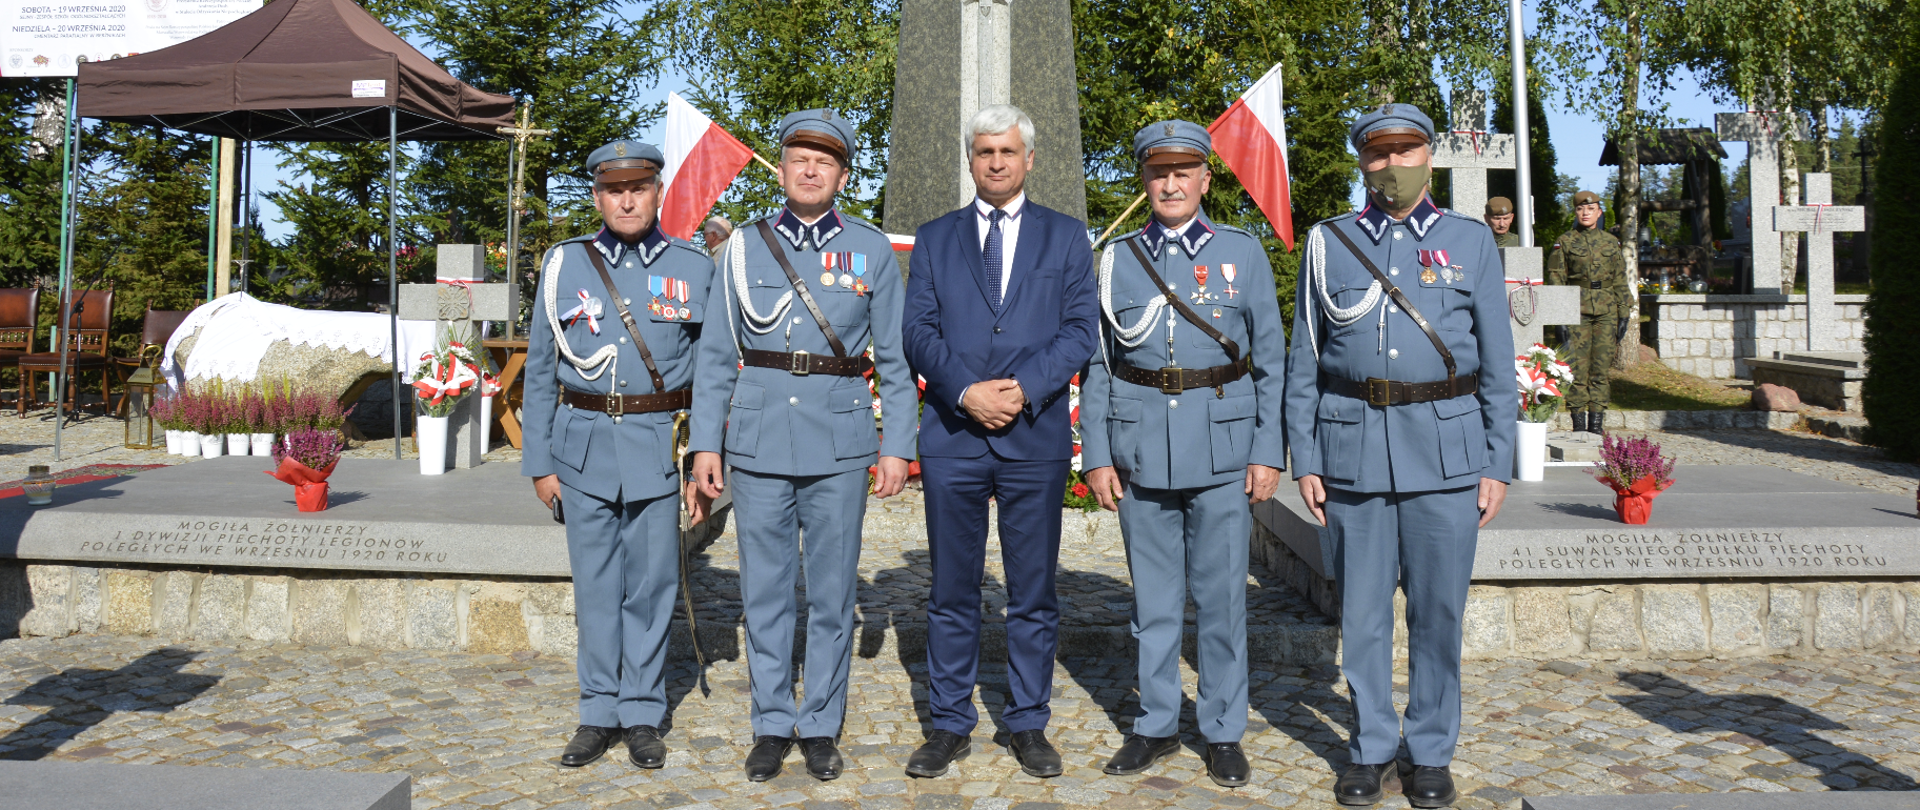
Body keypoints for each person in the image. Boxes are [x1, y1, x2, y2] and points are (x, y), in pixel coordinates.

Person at [1282, 103, 1516, 809]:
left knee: (1438, 613)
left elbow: (1498, 363)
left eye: (1405, 150)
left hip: (1446, 454)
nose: (1392, 165)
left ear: (1428, 156)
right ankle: (1372, 747)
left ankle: (1431, 750)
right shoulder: (1329, 244)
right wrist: (1307, 457)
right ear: (1362, 161)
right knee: (1361, 615)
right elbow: (1305, 361)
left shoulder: (1470, 242)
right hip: (1352, 453)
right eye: (1378, 154)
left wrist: (1497, 459)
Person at [686, 109, 916, 783]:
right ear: (781, 169)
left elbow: (895, 361)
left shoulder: (870, 249)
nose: (811, 169)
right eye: (799, 158)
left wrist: (896, 445)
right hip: (756, 442)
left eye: (825, 161)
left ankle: (818, 722)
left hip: (840, 443)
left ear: (842, 175)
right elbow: (716, 358)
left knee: (833, 591)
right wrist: (707, 444)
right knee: (764, 591)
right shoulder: (743, 249)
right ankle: (770, 722)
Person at [1078, 120, 1287, 788]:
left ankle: (1223, 730)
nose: (1170, 183)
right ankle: (1158, 724)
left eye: (1183, 172)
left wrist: (1267, 450)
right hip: (1141, 450)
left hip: (1223, 448)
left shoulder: (1240, 252)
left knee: (1223, 599)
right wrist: (1099, 453)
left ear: (1204, 179)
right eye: (1158, 172)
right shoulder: (1117, 259)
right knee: (1154, 604)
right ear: (1145, 179)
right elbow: (1102, 363)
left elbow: (1270, 362)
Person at [899, 103, 1099, 780]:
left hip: (1032, 433)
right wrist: (964, 391)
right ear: (970, 158)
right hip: (954, 437)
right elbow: (918, 331)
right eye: (984, 152)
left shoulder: (1068, 238)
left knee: (1032, 590)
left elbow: (1079, 329)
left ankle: (1027, 720)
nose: (995, 162)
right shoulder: (935, 237)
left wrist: (1020, 387)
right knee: (952, 590)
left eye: (1007, 152)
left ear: (1029, 159)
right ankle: (950, 721)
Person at [521, 139, 714, 771]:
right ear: (597, 195)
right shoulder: (564, 265)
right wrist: (540, 462)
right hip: (581, 452)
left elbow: (711, 374)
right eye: (613, 189)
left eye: (639, 187)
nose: (626, 199)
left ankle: (640, 711)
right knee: (597, 588)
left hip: (659, 446)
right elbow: (543, 370)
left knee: (654, 586)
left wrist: (702, 460)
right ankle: (597, 710)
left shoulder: (692, 265)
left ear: (658, 192)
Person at [1546, 190, 1630, 434]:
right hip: (1576, 310)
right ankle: (1579, 427)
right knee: (1577, 370)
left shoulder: (1611, 242)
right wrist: (1560, 317)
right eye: (1581, 209)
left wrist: (1624, 312)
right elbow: (1556, 278)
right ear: (1575, 212)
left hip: (1606, 310)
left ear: (1599, 212)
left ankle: (1596, 428)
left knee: (1600, 371)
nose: (1585, 213)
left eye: (1590, 209)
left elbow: (1620, 279)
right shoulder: (1565, 241)